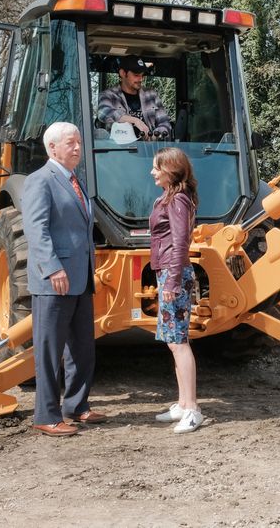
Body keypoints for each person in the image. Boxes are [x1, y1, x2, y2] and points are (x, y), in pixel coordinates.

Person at [23, 121, 107, 436]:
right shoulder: (40, 181)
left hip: (80, 279)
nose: (77, 148)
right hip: (54, 280)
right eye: (71, 143)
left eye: (79, 143)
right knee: (49, 349)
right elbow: (36, 228)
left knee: (82, 347)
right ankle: (46, 414)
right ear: (52, 147)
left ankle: (77, 405)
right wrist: (52, 266)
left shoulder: (76, 181)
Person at [147, 146, 204, 433]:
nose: (152, 172)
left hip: (174, 273)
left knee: (179, 342)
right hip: (170, 272)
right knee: (173, 341)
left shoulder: (177, 199)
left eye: (157, 167)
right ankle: (182, 404)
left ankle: (192, 408)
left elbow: (181, 241)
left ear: (170, 170)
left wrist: (170, 281)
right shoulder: (171, 198)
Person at [97, 56, 173, 140]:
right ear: (123, 73)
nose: (140, 79)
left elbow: (165, 123)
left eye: (142, 75)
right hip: (119, 150)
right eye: (136, 75)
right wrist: (135, 120)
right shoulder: (109, 95)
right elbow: (103, 112)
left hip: (149, 149)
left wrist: (155, 135)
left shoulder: (151, 95)